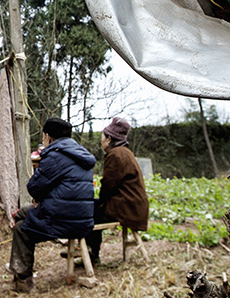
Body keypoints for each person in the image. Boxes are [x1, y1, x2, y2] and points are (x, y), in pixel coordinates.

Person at [8, 117, 96, 293]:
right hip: (84, 219)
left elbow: (33, 186)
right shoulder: (81, 154)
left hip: (62, 220)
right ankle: (19, 265)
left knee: (20, 229)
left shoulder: (55, 156)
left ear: (48, 136)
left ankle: (22, 279)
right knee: (21, 214)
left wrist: (39, 197)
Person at [84, 116, 149, 264]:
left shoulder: (115, 154)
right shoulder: (126, 152)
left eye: (102, 136)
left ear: (109, 138)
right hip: (134, 205)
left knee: (88, 210)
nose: (101, 140)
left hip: (127, 207)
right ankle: (91, 251)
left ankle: (91, 253)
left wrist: (100, 201)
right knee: (94, 207)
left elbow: (108, 184)